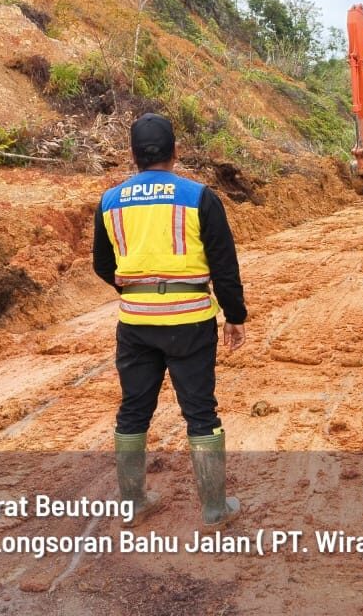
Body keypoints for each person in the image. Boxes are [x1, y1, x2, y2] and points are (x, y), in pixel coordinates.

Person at [92, 113, 247, 528]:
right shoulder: (199, 197)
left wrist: (135, 291)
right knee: (200, 412)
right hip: (191, 322)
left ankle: (134, 502)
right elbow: (224, 266)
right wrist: (235, 316)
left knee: (133, 411)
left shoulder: (110, 201)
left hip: (135, 323)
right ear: (176, 151)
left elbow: (102, 265)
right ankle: (214, 509)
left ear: (133, 155)